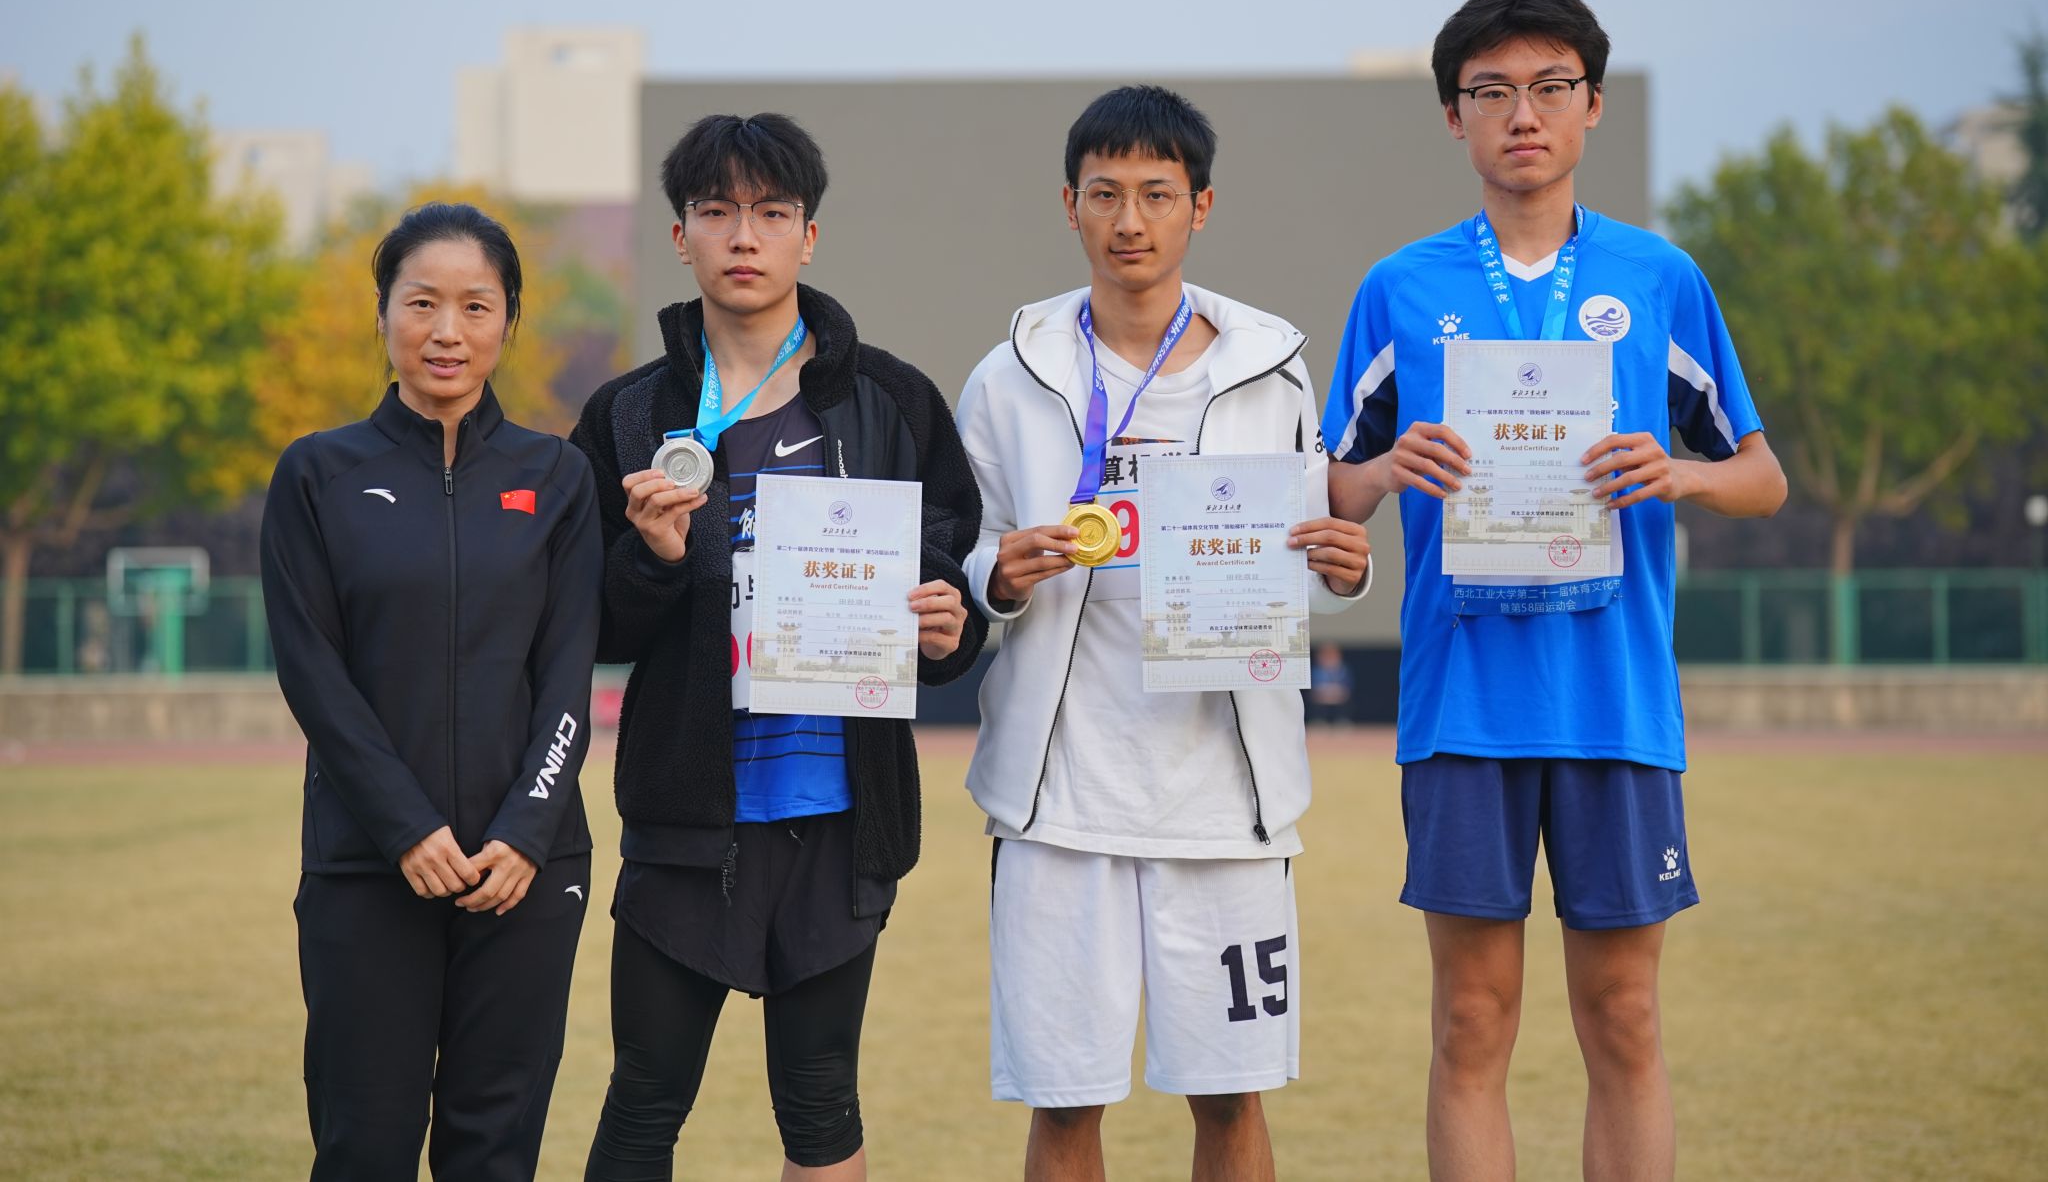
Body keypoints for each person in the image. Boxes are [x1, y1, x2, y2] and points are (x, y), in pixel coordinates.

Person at [1323, 0, 1787, 1182]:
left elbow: (1762, 477)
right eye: (1490, 92)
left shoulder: (1657, 279)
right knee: (1469, 1021)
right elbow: (1328, 491)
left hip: (1612, 701)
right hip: (1462, 705)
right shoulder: (1399, 288)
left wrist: (1679, 475)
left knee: (1622, 1018)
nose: (1520, 114)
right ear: (1452, 116)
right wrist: (1380, 470)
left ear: (1590, 106)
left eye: (1547, 88)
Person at [957, 85, 1373, 1182]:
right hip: (1060, 800)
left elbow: (1305, 556)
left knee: (1230, 1098)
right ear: (1069, 205)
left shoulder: (1269, 368)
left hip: (1223, 799)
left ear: (1201, 206)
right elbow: (968, 549)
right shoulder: (1010, 375)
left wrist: (1343, 571)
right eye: (1105, 194)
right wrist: (995, 573)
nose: (1129, 220)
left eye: (1155, 194)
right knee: (1064, 1104)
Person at [574, 112, 987, 1181]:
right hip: (684, 820)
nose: (743, 235)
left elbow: (945, 591)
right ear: (680, 237)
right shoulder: (628, 416)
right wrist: (653, 559)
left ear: (810, 234)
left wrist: (952, 629)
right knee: (642, 1102)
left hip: (837, 821)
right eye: (716, 211)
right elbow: (592, 627)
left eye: (771, 212)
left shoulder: (893, 402)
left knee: (820, 1103)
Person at [261, 201, 602, 1180]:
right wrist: (405, 828)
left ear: (508, 322)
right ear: (382, 314)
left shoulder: (559, 476)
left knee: (493, 1154)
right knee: (363, 1148)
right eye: (421, 303)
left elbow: (567, 676)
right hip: (367, 868)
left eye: (475, 306)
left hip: (523, 873)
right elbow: (313, 673)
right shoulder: (318, 474)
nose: (447, 331)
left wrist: (527, 832)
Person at [1306, 643, 1354, 725]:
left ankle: (1342, 721)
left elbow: (1347, 688)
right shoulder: (1316, 669)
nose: (1329, 658)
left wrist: (1335, 692)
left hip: (1338, 698)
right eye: (1326, 655)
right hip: (1321, 698)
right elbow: (1314, 688)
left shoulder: (1343, 669)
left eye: (1331, 655)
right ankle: (1318, 721)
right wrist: (1327, 692)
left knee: (1346, 702)